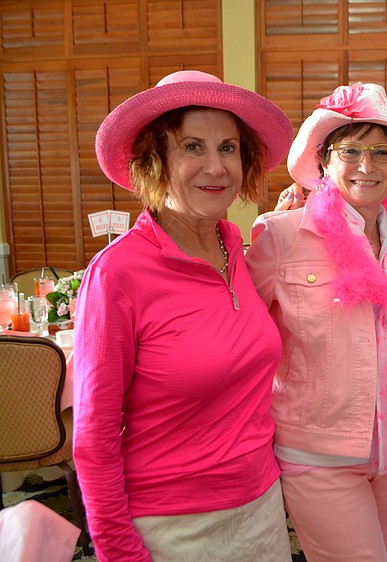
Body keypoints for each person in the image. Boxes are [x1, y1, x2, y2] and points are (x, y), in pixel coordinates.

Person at [73, 70, 295, 562]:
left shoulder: (235, 248)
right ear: (155, 161)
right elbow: (94, 438)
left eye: (229, 148)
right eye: (192, 147)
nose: (216, 167)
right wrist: (118, 550)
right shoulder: (118, 274)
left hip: (261, 508)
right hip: (173, 526)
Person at [245, 82, 387, 562]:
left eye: (382, 153)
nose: (367, 166)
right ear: (324, 161)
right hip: (318, 455)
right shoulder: (281, 234)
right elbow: (244, 337)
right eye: (351, 150)